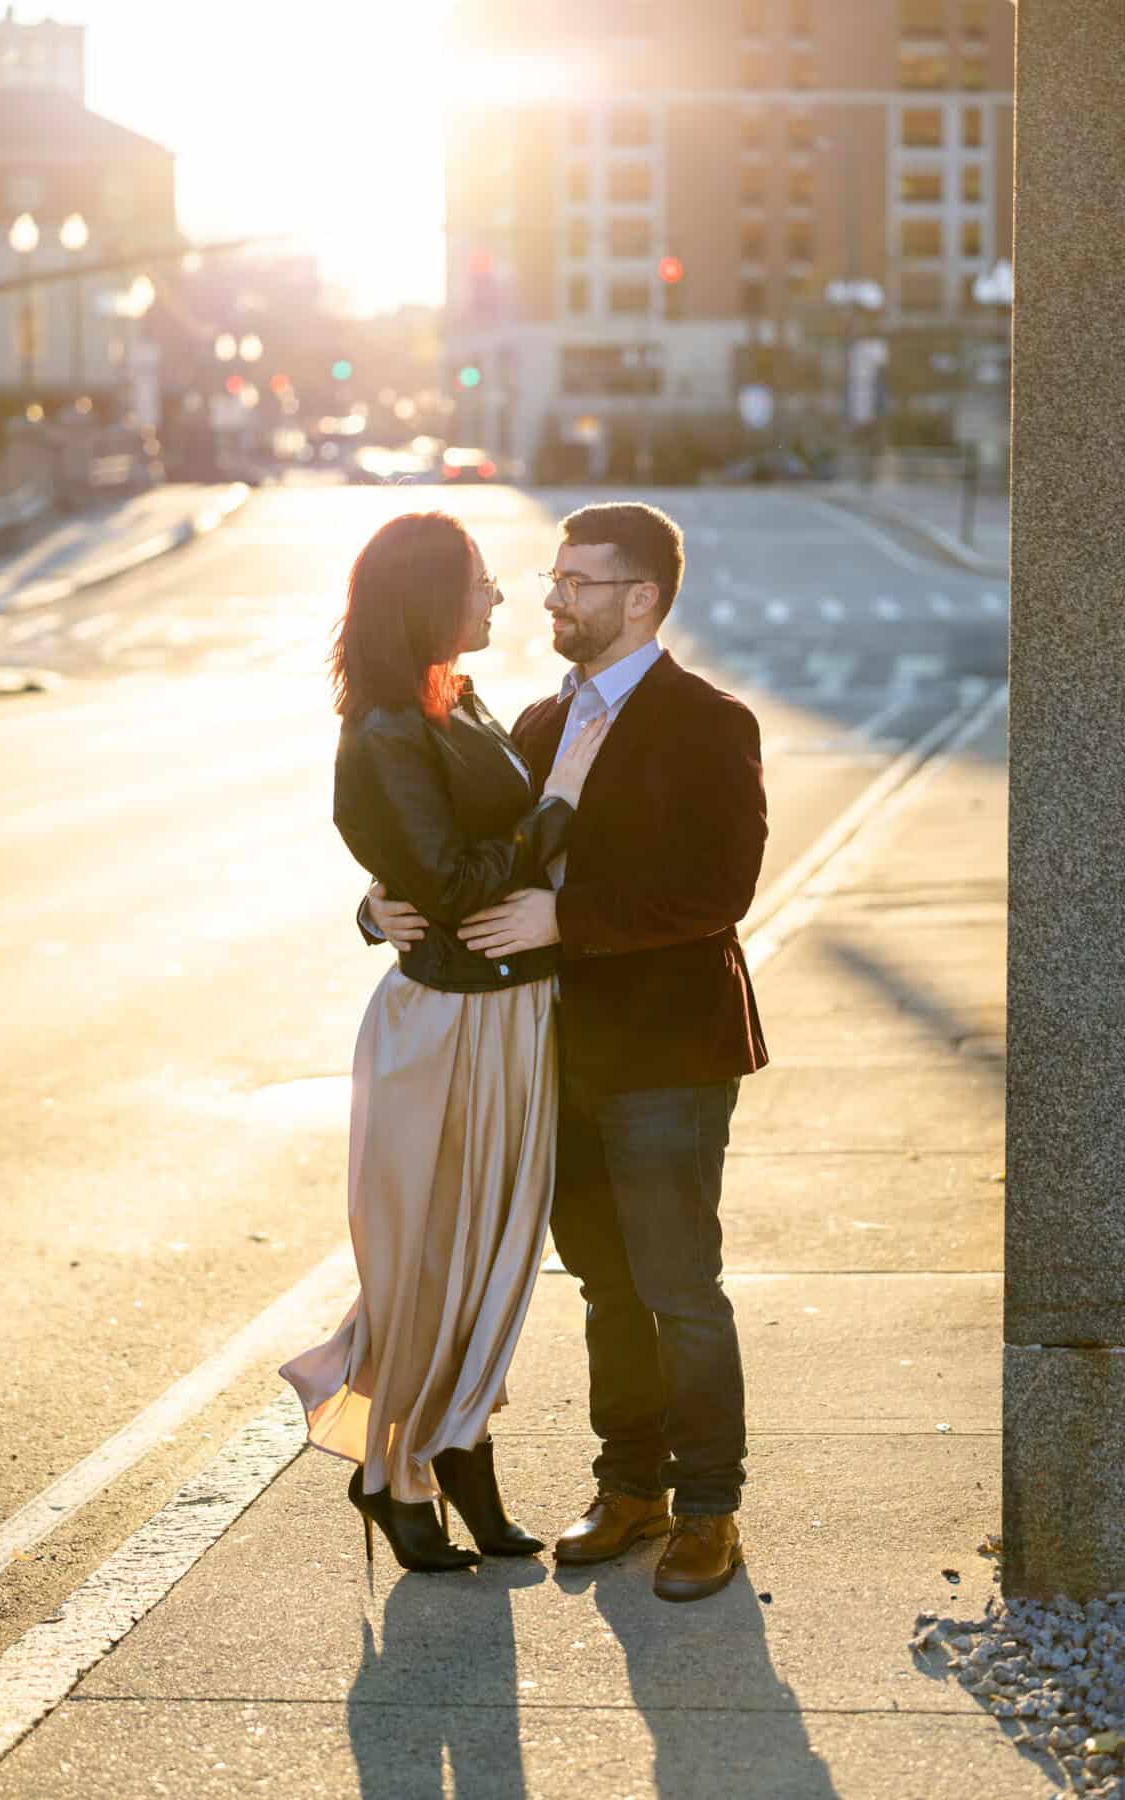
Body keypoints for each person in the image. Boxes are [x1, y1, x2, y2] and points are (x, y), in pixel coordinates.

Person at [367, 501, 768, 1603]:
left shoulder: (708, 721)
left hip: (668, 1054)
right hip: (546, 1055)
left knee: (680, 1285)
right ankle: (628, 1486)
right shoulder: (535, 721)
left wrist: (566, 919)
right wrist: (379, 901)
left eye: (581, 582)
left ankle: (708, 1511)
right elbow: (462, 854)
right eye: (554, 578)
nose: (555, 597)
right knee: (603, 1286)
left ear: (642, 598)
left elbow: (717, 890)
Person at [279, 511, 605, 1574]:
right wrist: (556, 808)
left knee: (495, 1263)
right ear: (427, 596)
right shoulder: (382, 728)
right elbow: (455, 885)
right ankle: (391, 1471)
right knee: (433, 1263)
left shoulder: (449, 695)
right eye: (480, 580)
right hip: (449, 1026)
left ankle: (458, 1442)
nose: (500, 596)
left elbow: (438, 862)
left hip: (509, 1015)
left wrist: (392, 898)